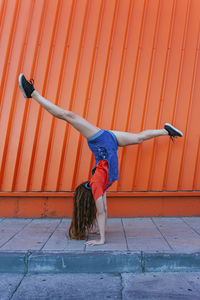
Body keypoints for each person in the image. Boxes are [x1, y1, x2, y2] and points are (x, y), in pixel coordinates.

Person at [18, 74, 183, 246]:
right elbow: (102, 211)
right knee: (68, 116)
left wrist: (102, 231)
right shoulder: (97, 185)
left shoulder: (101, 185)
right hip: (102, 139)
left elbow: (103, 210)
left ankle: (166, 131)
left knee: (138, 138)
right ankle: (33, 94)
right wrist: (101, 239)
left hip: (107, 143)